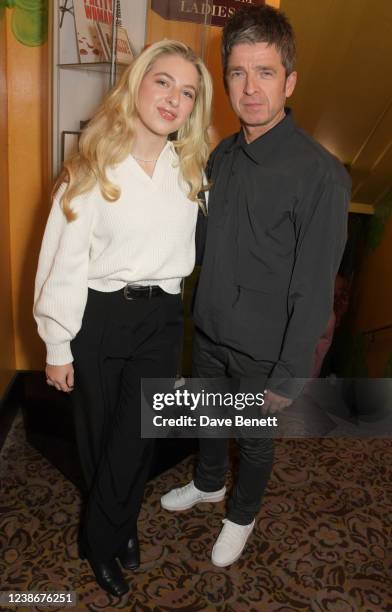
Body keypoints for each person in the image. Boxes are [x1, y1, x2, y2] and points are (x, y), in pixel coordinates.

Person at [161, 5, 351, 567]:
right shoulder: (222, 154)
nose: (250, 88)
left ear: (289, 81)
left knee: (254, 438)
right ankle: (209, 482)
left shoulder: (322, 175)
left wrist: (287, 379)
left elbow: (315, 290)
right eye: (238, 73)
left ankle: (240, 516)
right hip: (211, 331)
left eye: (265, 72)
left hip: (264, 352)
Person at [34, 40, 212, 596]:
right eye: (163, 82)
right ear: (138, 83)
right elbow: (61, 260)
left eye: (187, 92)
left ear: (193, 107)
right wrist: (57, 344)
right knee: (99, 440)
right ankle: (120, 529)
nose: (173, 98)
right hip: (99, 315)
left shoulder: (192, 171)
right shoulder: (93, 164)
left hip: (161, 318)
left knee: (138, 436)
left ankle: (99, 538)